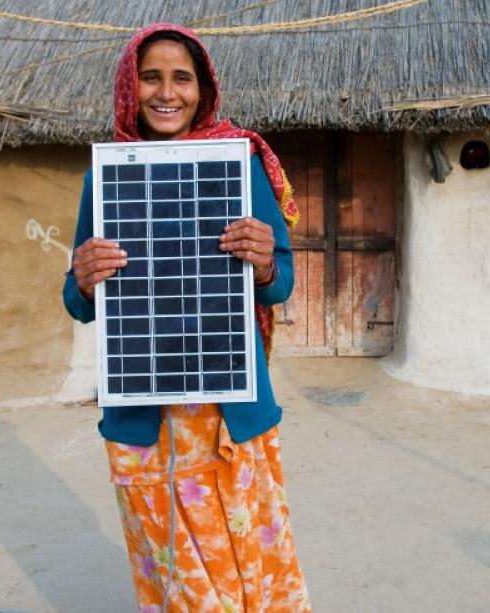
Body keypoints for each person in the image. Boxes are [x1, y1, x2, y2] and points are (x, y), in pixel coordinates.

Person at [63, 23, 310, 612]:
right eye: (151, 76)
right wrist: (85, 277)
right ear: (131, 85)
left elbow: (282, 280)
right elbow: (77, 300)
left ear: (203, 90)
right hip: (144, 419)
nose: (166, 92)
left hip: (229, 411)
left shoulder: (238, 164)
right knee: (180, 585)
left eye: (182, 78)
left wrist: (264, 266)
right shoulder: (106, 177)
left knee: (250, 572)